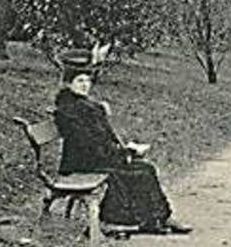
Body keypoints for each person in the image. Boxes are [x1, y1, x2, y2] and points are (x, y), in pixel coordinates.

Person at [53, 66, 190, 234]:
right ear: (68, 84)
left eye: (87, 81)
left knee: (146, 168)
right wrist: (124, 153)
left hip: (96, 157)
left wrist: (126, 150)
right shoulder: (69, 111)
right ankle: (115, 221)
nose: (85, 85)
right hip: (82, 163)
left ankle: (160, 217)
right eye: (79, 81)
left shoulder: (87, 106)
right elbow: (87, 144)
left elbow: (101, 140)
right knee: (128, 173)